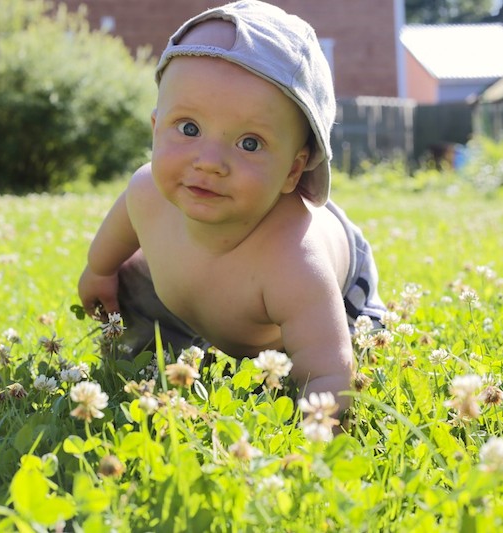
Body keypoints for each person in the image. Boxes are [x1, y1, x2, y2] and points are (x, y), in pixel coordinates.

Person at [78, 0, 387, 414]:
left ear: (293, 171)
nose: (209, 162)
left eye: (249, 143)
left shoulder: (295, 261)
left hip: (340, 284)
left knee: (349, 349)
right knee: (135, 288)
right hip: (198, 297)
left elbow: (329, 372)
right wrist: (99, 271)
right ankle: (173, 351)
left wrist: (322, 423)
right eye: (189, 128)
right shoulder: (147, 190)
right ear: (156, 129)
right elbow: (116, 235)